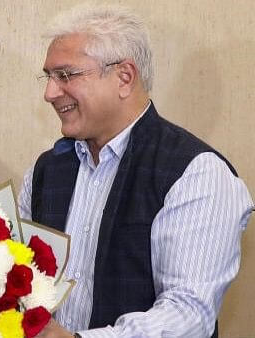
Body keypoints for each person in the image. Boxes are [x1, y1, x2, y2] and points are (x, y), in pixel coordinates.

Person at [18, 5, 253, 338]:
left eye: (66, 76)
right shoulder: (44, 172)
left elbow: (189, 315)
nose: (50, 93)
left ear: (124, 78)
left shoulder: (196, 174)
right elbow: (22, 279)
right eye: (49, 77)